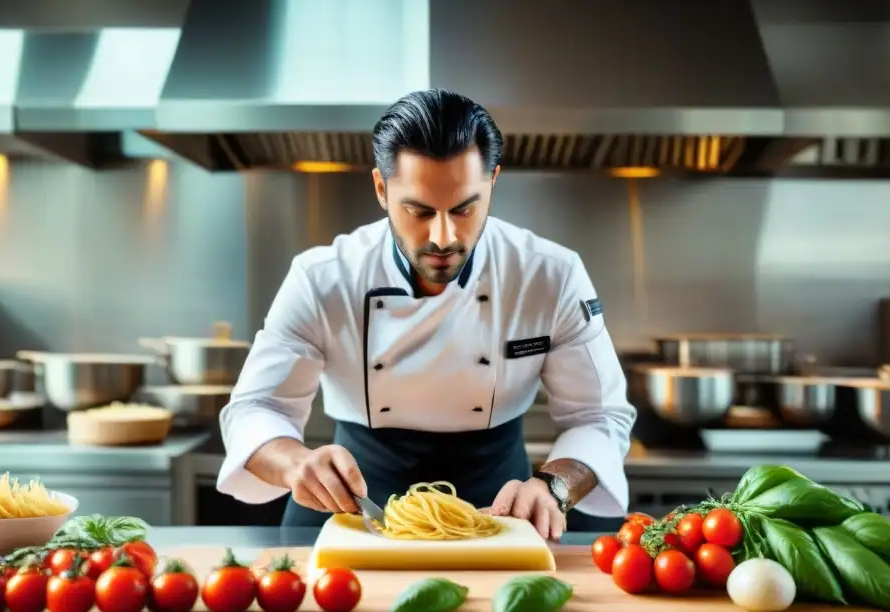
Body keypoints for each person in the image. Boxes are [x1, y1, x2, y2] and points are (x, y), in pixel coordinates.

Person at [217, 89, 636, 540]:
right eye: (418, 211)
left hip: (497, 512)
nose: (443, 236)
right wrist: (296, 464)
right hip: (353, 510)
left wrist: (553, 488)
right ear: (381, 189)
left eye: (464, 208)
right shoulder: (323, 277)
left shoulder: (549, 275)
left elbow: (598, 414)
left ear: (493, 181)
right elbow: (255, 407)